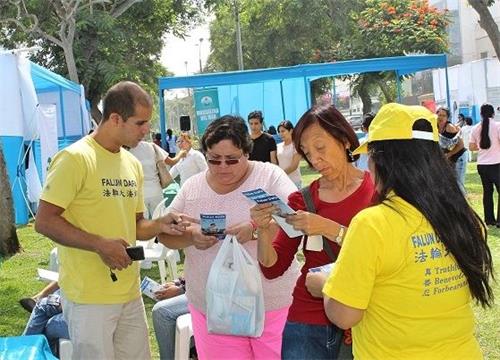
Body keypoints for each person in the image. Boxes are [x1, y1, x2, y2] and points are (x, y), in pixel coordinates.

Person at [321, 103, 494, 359]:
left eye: (370, 156)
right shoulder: (463, 218)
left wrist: (325, 285)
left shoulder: (373, 224)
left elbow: (344, 315)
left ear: (383, 159)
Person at [34, 81, 188, 359]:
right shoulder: (75, 158)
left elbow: (137, 225)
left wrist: (160, 224)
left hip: (129, 292)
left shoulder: (131, 164)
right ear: (115, 118)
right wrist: (99, 245)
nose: (146, 130)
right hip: (88, 297)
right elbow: (44, 221)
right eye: (140, 123)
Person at [158, 115, 299, 359]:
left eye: (232, 160)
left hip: (272, 305)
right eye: (214, 160)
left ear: (247, 151)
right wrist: (192, 236)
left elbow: (297, 219)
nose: (223, 167)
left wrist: (254, 229)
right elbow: (165, 234)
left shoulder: (269, 177)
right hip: (214, 309)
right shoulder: (193, 187)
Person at [252, 105, 375, 359]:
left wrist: (329, 229)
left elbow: (387, 252)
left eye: (320, 148)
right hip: (307, 321)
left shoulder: (377, 191)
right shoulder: (303, 199)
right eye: (307, 153)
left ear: (343, 139)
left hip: (362, 315)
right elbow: (273, 267)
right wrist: (264, 232)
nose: (315, 160)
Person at [129, 140, 186, 218]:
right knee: (158, 222)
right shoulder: (153, 147)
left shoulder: (126, 150)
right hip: (156, 190)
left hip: (139, 193)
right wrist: (181, 154)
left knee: (140, 223)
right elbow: (171, 161)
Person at [469, 104, 500, 227]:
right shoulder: (497, 126)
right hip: (496, 163)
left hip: (482, 164)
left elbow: (471, 147)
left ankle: (489, 220)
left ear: (481, 114)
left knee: (487, 192)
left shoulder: (475, 128)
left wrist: (482, 148)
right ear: (493, 113)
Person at [152, 279, 190, 360]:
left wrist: (181, 290)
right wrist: (179, 282)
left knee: (161, 312)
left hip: (213, 295)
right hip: (195, 288)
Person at [437, 107, 467, 192]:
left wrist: (449, 155)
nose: (441, 117)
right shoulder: (435, 127)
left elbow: (461, 145)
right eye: (439, 115)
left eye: (443, 115)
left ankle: (463, 204)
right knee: (449, 183)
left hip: (459, 156)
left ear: (447, 118)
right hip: (448, 158)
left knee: (458, 184)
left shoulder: (450, 127)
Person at [276, 120, 302, 188]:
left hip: (294, 182)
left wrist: (280, 175)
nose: (280, 134)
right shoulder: (278, 146)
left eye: (283, 131)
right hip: (281, 182)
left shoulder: (296, 146)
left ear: (291, 131)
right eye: (279, 132)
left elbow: (294, 166)